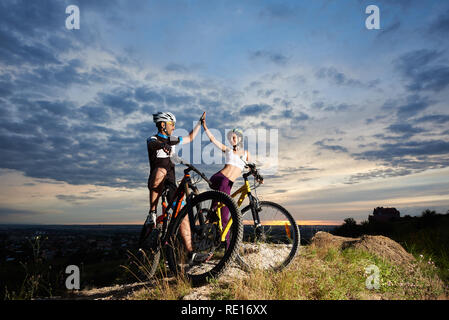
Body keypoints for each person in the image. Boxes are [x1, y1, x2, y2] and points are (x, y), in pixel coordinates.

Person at [144, 111, 210, 264]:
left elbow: (190, 137)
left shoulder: (171, 140)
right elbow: (152, 143)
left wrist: (200, 123)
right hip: (156, 181)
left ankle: (191, 254)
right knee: (161, 170)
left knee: (183, 216)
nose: (174, 127)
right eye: (171, 124)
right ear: (162, 125)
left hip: (170, 183)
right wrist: (163, 145)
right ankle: (152, 213)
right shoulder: (153, 139)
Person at [201, 115, 259, 243]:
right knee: (222, 203)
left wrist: (257, 176)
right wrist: (204, 125)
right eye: (230, 137)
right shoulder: (227, 150)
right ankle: (212, 212)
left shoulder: (245, 154)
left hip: (228, 185)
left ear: (240, 138)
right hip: (219, 178)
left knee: (226, 217)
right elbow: (212, 139)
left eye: (234, 137)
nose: (231, 139)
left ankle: (227, 248)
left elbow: (251, 167)